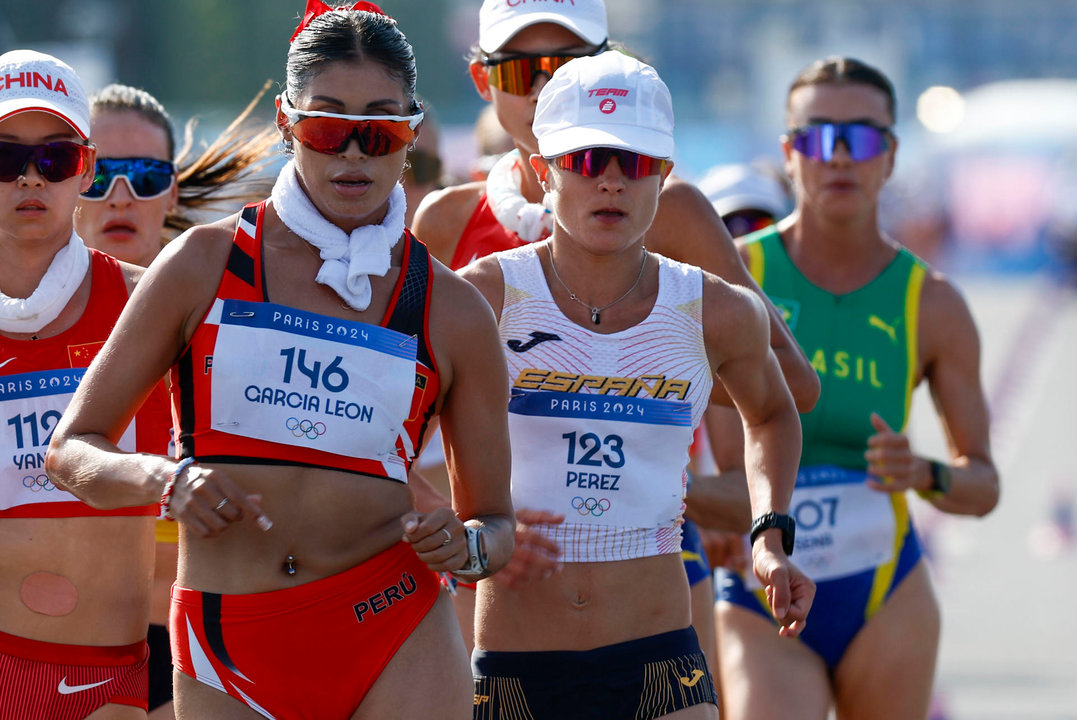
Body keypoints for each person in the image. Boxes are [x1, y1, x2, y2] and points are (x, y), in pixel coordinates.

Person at [46, 4, 514, 719]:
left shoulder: (452, 307)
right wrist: (167, 481)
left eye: (379, 130)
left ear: (411, 132)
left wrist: (467, 547)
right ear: (288, 123)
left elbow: (495, 527)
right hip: (231, 641)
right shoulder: (203, 263)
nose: (353, 153)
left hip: (394, 627)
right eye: (328, 127)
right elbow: (72, 451)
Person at [411, 0, 820, 674]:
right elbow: (395, 417)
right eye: (520, 70)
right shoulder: (449, 220)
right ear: (484, 82)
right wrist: (471, 513)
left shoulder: (670, 206)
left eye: (566, 65)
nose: (545, 85)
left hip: (649, 558)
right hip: (498, 579)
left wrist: (641, 432)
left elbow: (786, 389)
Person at [711, 57, 1000, 720]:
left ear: (890, 156)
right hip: (762, 590)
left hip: (883, 597)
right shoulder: (733, 278)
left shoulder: (931, 302)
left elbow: (982, 485)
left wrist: (922, 471)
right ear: (788, 152)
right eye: (817, 137)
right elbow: (717, 465)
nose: (838, 156)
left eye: (861, 137)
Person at [74, 82, 278, 719]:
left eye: (145, 174)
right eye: (98, 172)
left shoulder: (229, 314)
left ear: (172, 190)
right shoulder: (20, 321)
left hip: (194, 644)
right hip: (52, 649)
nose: (121, 194)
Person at [0, 48, 171, 719]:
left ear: (87, 169)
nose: (30, 180)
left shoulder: (152, 308)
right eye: (6, 158)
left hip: (121, 681)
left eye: (56, 159)